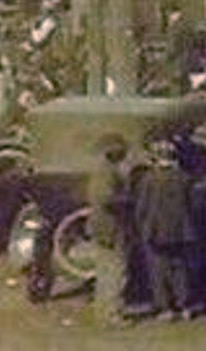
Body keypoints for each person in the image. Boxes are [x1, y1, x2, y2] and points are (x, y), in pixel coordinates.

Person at [135, 136, 199, 321]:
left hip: (155, 230)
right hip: (181, 231)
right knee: (180, 269)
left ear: (156, 157)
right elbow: (192, 204)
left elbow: (142, 207)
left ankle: (165, 309)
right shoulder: (185, 178)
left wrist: (142, 226)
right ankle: (184, 306)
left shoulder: (148, 179)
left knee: (158, 271)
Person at [88, 133, 131, 327]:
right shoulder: (108, 173)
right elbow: (107, 199)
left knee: (104, 271)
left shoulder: (100, 171)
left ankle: (102, 312)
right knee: (116, 272)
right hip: (111, 227)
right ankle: (113, 315)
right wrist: (129, 200)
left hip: (100, 226)